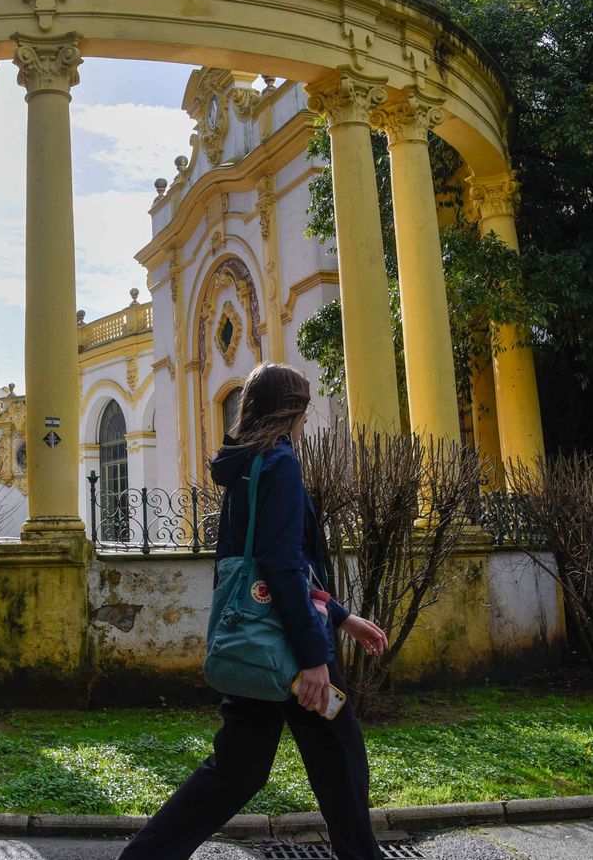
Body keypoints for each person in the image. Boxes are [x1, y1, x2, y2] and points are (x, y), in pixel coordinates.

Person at [119, 362, 389, 860]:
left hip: (254, 641)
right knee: (340, 756)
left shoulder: (244, 465)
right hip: (290, 644)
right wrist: (314, 656)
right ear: (290, 411)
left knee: (238, 769)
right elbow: (284, 567)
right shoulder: (279, 463)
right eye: (303, 410)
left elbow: (271, 566)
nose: (305, 422)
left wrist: (342, 615)